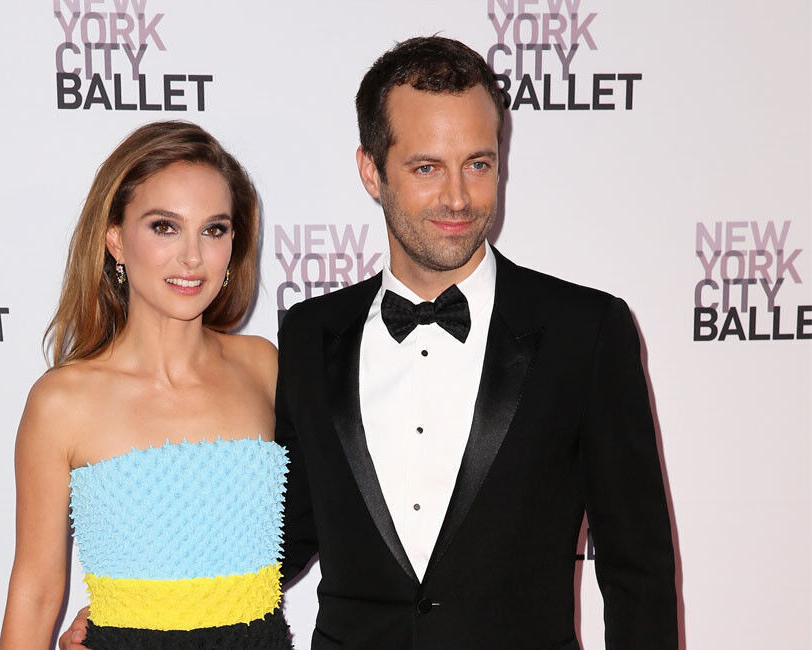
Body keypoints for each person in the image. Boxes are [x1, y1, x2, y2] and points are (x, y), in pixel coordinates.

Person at [63, 36, 677, 649]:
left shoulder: (585, 331)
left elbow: (638, 571)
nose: (458, 197)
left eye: (478, 164)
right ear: (371, 172)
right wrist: (139, 614)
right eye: (426, 168)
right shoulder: (309, 336)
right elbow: (282, 533)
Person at [0, 121, 292, 649]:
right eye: (164, 227)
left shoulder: (263, 367)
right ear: (115, 239)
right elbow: (36, 591)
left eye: (214, 229)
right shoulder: (61, 402)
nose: (192, 257)